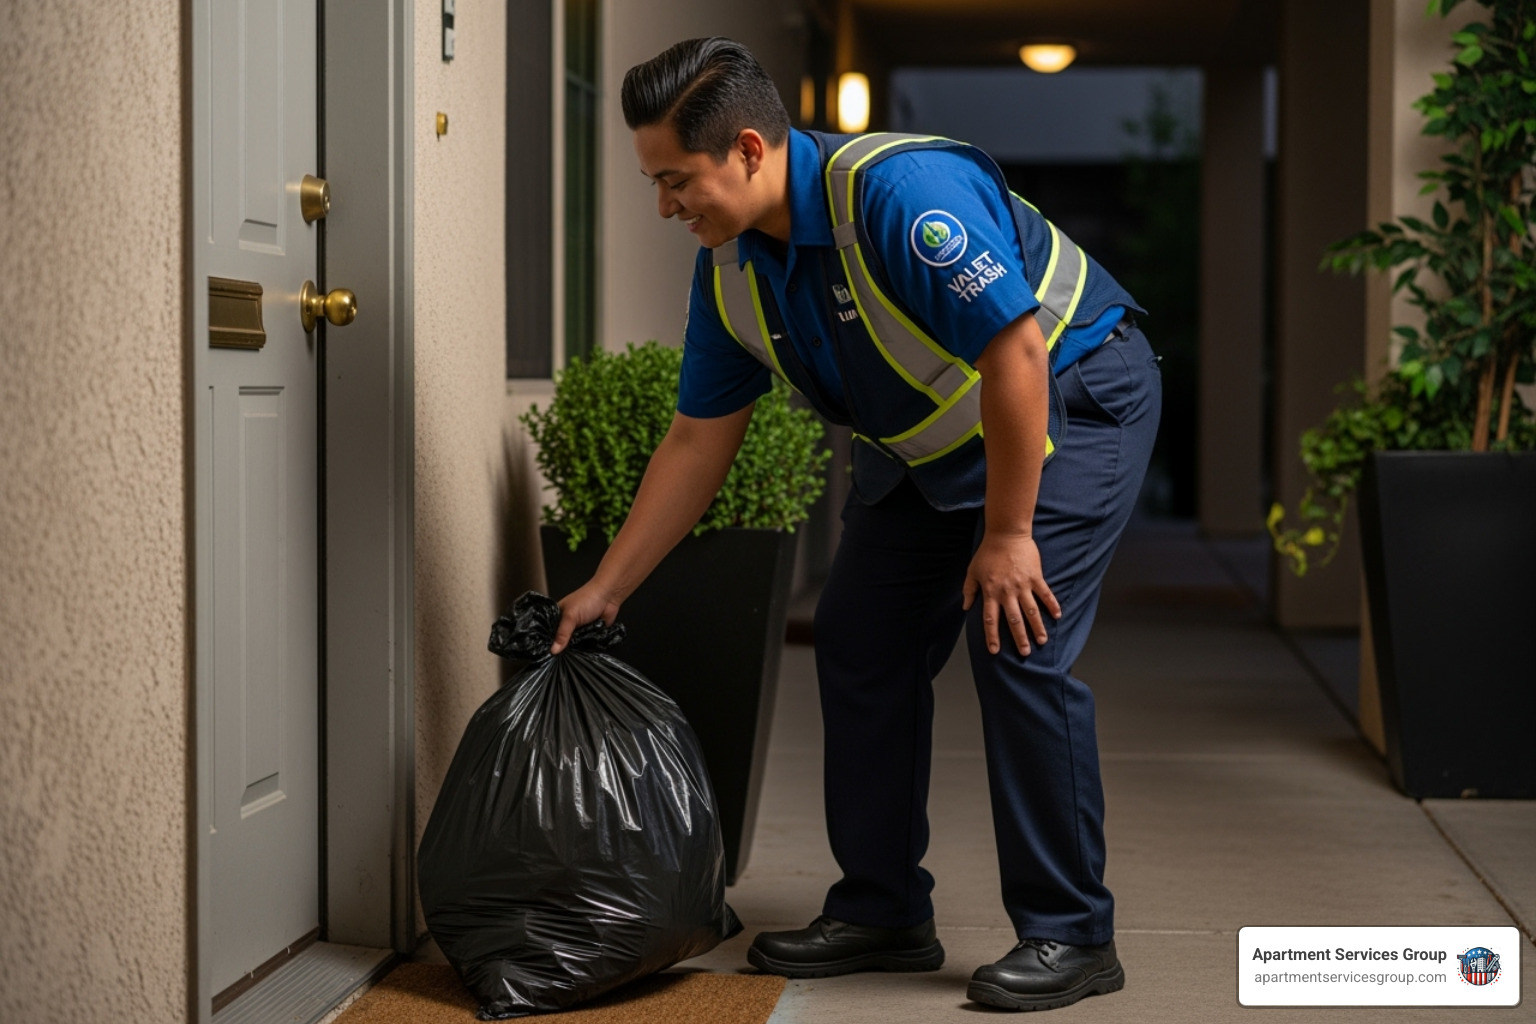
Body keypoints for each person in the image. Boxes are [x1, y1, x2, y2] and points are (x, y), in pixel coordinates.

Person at [550, 37, 1160, 1013]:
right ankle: (882, 909)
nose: (666, 206)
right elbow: (697, 443)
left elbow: (1016, 356)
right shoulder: (735, 270)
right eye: (653, 183)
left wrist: (1007, 538)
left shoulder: (901, 197)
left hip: (1073, 396)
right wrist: (609, 584)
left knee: (1017, 641)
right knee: (859, 637)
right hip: (929, 445)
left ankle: (1071, 932)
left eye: (676, 180)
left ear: (749, 150)